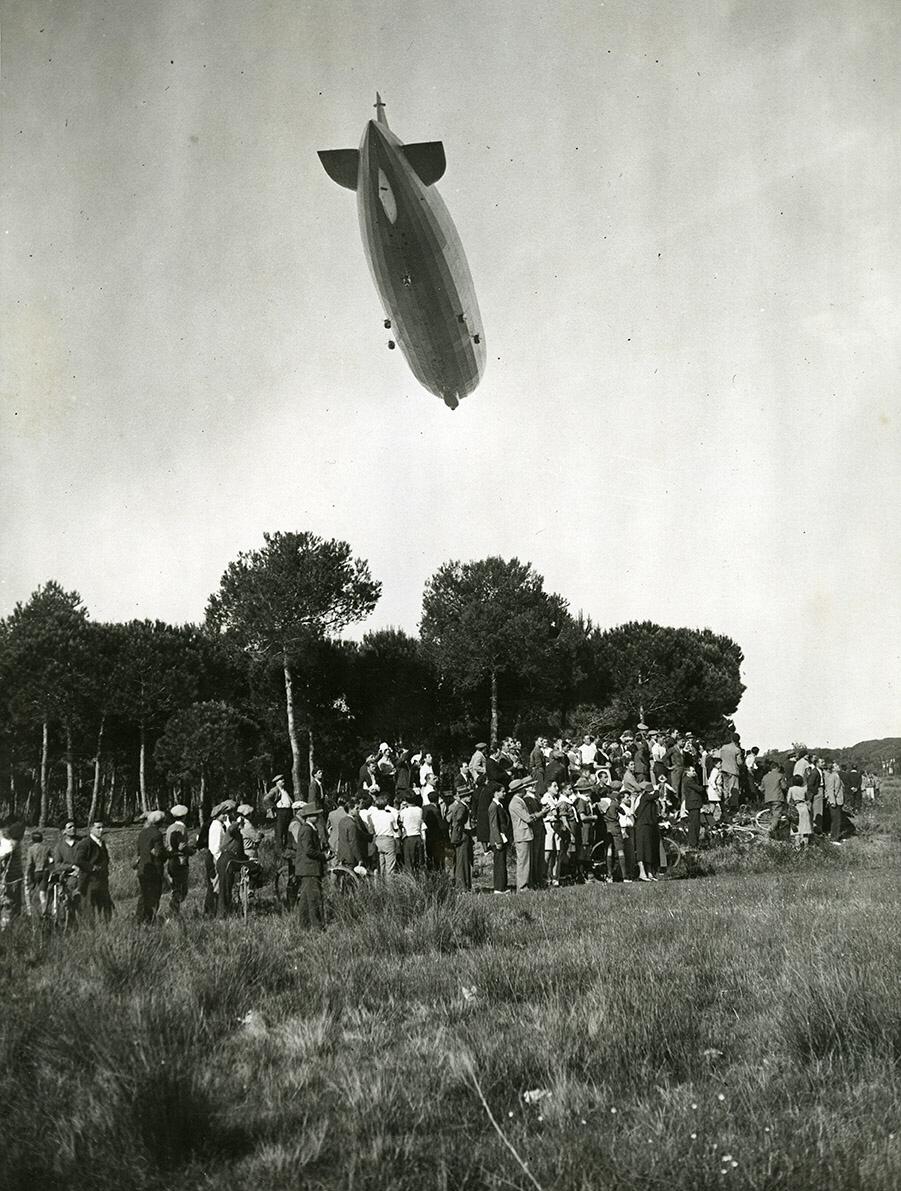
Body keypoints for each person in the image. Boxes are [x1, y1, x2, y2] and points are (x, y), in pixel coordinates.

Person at [294, 802, 326, 930]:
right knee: (314, 897)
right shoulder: (307, 829)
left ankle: (304, 925)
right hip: (309, 868)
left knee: (306, 899)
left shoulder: (309, 828)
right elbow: (308, 850)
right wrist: (322, 856)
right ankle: (316, 926)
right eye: (316, 815)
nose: (318, 817)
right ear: (309, 816)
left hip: (307, 868)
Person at [74, 821, 113, 920]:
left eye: (102, 827)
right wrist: (92, 867)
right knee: (89, 908)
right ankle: (90, 931)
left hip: (102, 880)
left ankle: (105, 930)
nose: (101, 830)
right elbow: (79, 860)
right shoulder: (85, 843)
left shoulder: (101, 843)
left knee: (104, 908)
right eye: (98, 828)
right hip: (89, 881)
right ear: (91, 829)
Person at [135, 810, 166, 923]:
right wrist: (168, 854)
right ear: (160, 822)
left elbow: (139, 851)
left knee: (144, 895)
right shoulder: (157, 834)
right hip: (154, 869)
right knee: (154, 896)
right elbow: (159, 853)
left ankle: (139, 919)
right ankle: (150, 920)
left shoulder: (142, 833)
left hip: (143, 868)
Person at [360, 793, 399, 878]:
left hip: (378, 839)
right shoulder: (390, 815)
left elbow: (371, 829)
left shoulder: (372, 816)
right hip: (388, 839)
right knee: (390, 865)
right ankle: (389, 885)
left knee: (380, 864)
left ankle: (381, 882)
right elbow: (396, 828)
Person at [165, 805, 191, 914]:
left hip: (171, 859)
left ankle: (174, 911)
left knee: (175, 887)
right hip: (180, 860)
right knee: (181, 889)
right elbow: (182, 847)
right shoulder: (182, 828)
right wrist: (191, 850)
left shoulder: (170, 828)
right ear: (184, 817)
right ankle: (173, 912)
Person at [0, 818, 25, 929]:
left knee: (9, 905)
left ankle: (6, 929)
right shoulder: (13, 843)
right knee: (12, 905)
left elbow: (2, 855)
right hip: (13, 879)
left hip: (10, 880)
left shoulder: (11, 844)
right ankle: (7, 928)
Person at [447, 786, 473, 890]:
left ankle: (462, 884)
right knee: (463, 860)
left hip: (459, 834)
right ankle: (462, 885)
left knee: (461, 859)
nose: (470, 797)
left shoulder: (460, 806)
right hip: (462, 835)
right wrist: (461, 830)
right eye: (468, 795)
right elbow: (458, 819)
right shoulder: (462, 807)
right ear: (464, 797)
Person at [487, 784, 511, 894]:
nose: (504, 793)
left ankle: (502, 886)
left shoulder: (499, 805)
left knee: (501, 862)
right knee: (499, 863)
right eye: (502, 791)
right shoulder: (493, 806)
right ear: (496, 793)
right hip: (498, 838)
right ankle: (499, 887)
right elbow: (493, 825)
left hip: (502, 837)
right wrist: (498, 840)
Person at [264, 776, 294, 855]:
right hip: (281, 812)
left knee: (287, 831)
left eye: (283, 779)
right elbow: (266, 799)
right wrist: (274, 807)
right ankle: (279, 851)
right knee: (280, 832)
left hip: (288, 811)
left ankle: (287, 849)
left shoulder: (284, 790)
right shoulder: (275, 790)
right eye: (280, 780)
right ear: (277, 782)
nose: (283, 780)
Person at [24, 830, 51, 916]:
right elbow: (51, 860)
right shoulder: (47, 848)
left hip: (34, 872)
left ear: (32, 840)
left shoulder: (31, 849)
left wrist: (26, 874)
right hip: (45, 872)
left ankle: (29, 911)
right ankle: (44, 911)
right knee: (42, 893)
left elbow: (29, 863)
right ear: (41, 839)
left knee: (28, 891)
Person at [422, 788, 450, 872]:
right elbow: (442, 825)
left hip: (428, 835)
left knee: (429, 855)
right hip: (437, 837)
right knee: (438, 858)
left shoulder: (424, 808)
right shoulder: (436, 810)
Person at [760, 760, 788, 836]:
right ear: (777, 768)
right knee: (777, 815)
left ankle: (775, 833)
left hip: (768, 798)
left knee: (772, 814)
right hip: (777, 797)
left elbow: (761, 788)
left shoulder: (765, 776)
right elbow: (784, 787)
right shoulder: (780, 775)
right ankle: (770, 830)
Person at [398, 793, 425, 871]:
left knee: (409, 862)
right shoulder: (419, 810)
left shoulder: (403, 812)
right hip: (417, 836)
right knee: (419, 861)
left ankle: (410, 879)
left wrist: (401, 809)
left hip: (408, 837)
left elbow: (400, 821)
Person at [681, 765, 706, 848]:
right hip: (693, 804)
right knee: (694, 824)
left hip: (693, 803)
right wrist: (703, 787)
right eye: (692, 771)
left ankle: (694, 842)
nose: (694, 772)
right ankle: (693, 843)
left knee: (694, 824)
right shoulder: (689, 781)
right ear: (687, 772)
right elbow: (699, 789)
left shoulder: (689, 780)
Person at [719, 733, 743, 810]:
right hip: (733, 771)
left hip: (724, 769)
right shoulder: (737, 750)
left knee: (725, 788)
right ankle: (733, 805)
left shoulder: (724, 747)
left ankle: (725, 803)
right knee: (734, 789)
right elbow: (739, 762)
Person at [788, 776, 812, 847]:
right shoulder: (804, 789)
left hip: (796, 808)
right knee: (805, 827)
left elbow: (788, 800)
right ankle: (805, 845)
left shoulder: (791, 789)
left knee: (796, 827)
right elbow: (807, 799)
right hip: (804, 807)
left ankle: (797, 845)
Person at [824, 762, 845, 844]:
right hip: (834, 801)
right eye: (836, 766)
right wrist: (833, 801)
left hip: (838, 800)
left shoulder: (836, 775)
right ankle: (834, 838)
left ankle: (836, 836)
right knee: (836, 820)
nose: (838, 766)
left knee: (837, 819)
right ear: (832, 768)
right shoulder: (832, 776)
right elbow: (830, 790)